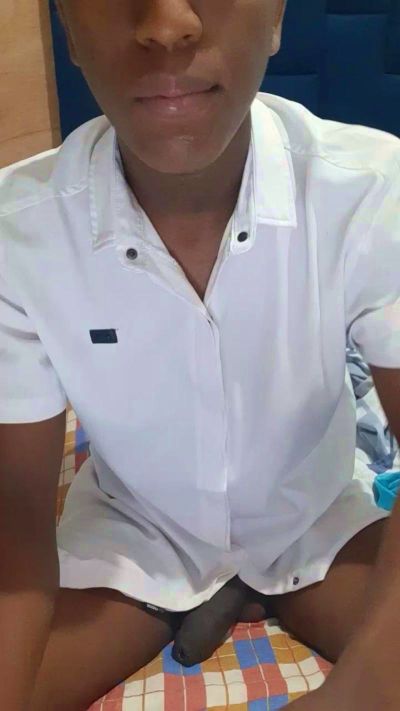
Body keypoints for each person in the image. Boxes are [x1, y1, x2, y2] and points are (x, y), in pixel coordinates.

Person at [0, 0, 399, 708]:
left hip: (317, 518)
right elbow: (17, 518)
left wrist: (364, 688)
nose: (167, 24)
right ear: (68, 30)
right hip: (133, 530)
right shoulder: (19, 233)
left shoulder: (372, 190)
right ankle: (207, 592)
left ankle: (245, 589)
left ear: (275, 18)